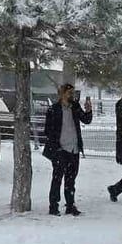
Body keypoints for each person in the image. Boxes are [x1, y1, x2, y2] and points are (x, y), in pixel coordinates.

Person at [41, 83, 92, 216]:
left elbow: (86, 120)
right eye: (70, 93)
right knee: (57, 179)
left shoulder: (75, 107)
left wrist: (88, 110)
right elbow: (47, 131)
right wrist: (56, 147)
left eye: (73, 93)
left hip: (74, 149)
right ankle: (53, 206)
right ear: (62, 94)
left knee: (71, 179)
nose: (72, 96)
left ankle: (70, 205)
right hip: (60, 150)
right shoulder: (54, 109)